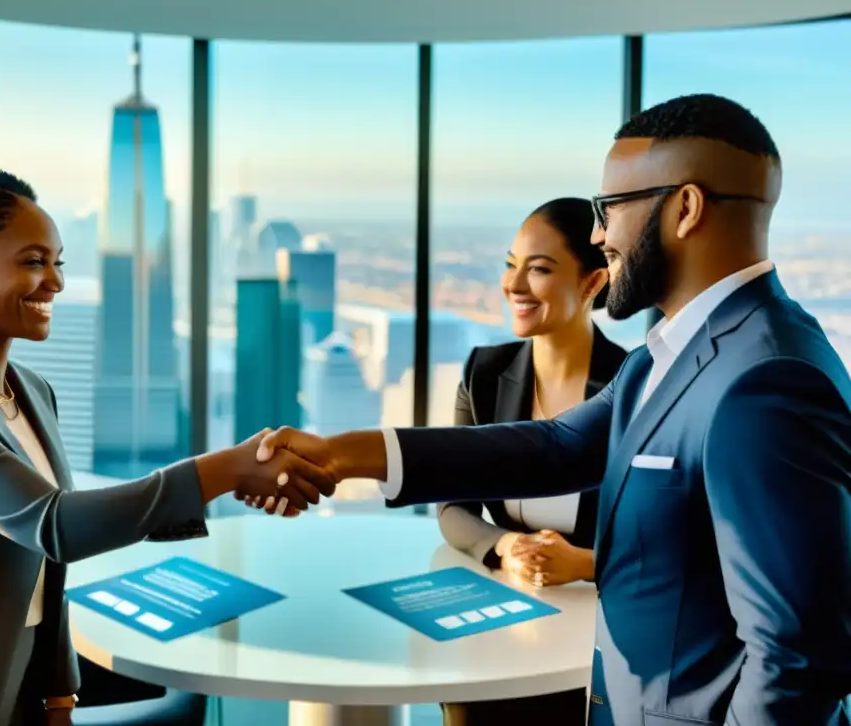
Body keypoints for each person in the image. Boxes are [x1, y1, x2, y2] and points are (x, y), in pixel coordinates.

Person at [253, 95, 851, 726]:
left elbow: (799, 658)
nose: (599, 234)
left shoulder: (768, 380)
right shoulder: (663, 357)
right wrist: (344, 454)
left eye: (609, 209)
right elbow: (553, 447)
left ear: (685, 208)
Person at [0, 169, 332, 726]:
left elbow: (45, 565)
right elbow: (56, 525)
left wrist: (58, 691)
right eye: (33, 261)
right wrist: (226, 470)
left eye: (58, 263)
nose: (55, 283)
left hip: (5, 693)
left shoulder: (33, 394)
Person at [437, 198, 626, 725]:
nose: (514, 285)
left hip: (594, 631)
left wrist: (583, 562)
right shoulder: (485, 372)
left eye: (539, 269)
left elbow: (667, 533)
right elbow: (453, 503)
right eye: (509, 264)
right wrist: (504, 546)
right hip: (499, 624)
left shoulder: (633, 383)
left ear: (592, 283)